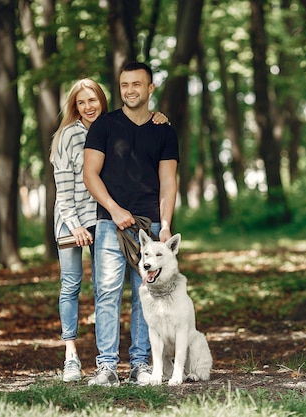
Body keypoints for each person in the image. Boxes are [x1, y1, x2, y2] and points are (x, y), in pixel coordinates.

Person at [51, 78, 169, 383]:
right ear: (74, 107)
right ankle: (73, 357)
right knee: (74, 285)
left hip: (105, 218)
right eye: (81, 102)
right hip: (75, 219)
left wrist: (157, 117)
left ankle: (137, 363)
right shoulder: (68, 136)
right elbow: (64, 188)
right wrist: (75, 223)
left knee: (124, 289)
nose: (88, 107)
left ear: (103, 101)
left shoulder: (112, 126)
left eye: (93, 100)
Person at [83, 62, 179, 387]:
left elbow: (168, 181)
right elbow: (90, 174)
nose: (130, 90)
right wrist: (113, 208)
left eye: (137, 84)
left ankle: (140, 365)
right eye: (124, 84)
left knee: (146, 295)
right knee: (107, 292)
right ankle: (106, 367)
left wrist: (164, 225)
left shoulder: (164, 129)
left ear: (150, 89)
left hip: (149, 224)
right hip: (111, 223)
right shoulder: (104, 126)